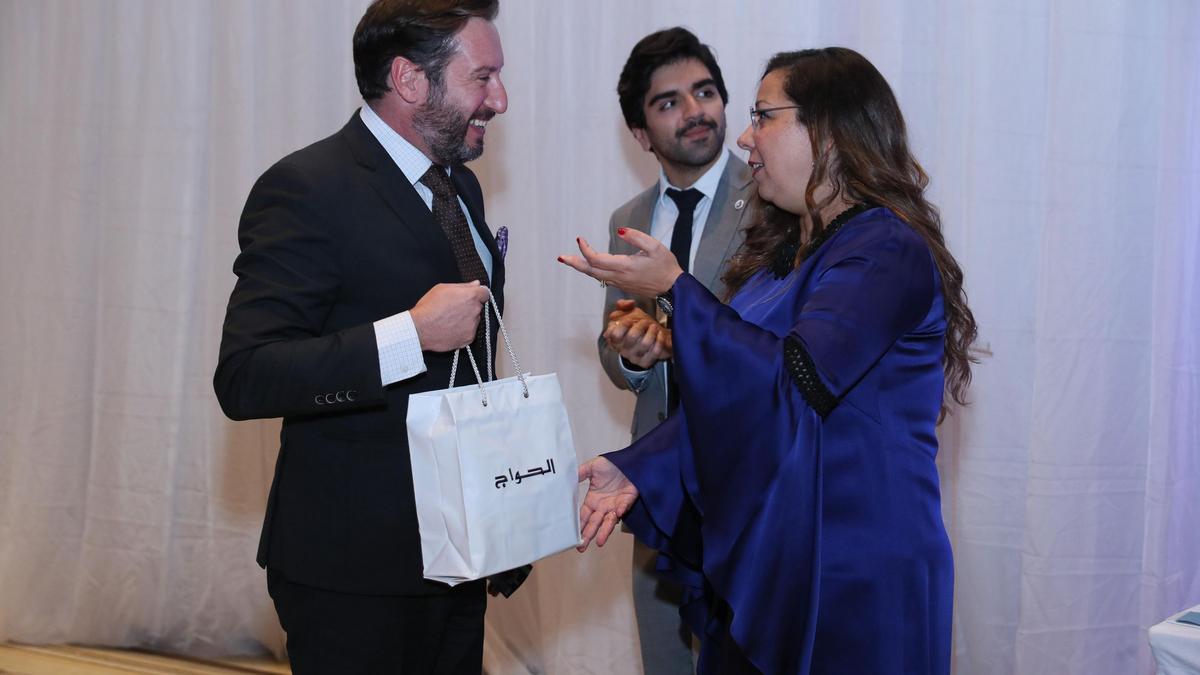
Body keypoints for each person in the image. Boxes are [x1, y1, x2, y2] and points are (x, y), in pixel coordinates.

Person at [562, 47, 977, 674]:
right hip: (778, 549)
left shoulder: (885, 248)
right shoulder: (778, 262)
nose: (745, 136)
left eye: (764, 116)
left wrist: (676, 289)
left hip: (856, 570)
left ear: (829, 131)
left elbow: (793, 382)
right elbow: (737, 401)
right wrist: (638, 468)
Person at [213, 1, 523, 672]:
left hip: (457, 557)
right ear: (410, 79)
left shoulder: (461, 188)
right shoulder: (307, 188)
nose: (500, 99)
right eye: (483, 77)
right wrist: (410, 334)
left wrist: (501, 511)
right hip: (353, 572)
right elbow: (246, 375)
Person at [600, 27, 756, 675]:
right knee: (663, 654)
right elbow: (614, 345)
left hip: (746, 477)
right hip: (657, 482)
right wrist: (631, 353)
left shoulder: (771, 202)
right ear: (640, 134)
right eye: (669, 102)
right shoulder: (629, 219)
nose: (695, 111)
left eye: (705, 92)